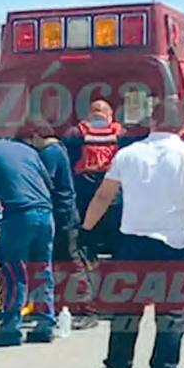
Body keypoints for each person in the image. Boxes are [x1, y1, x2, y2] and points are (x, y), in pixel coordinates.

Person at [81, 96, 184, 368]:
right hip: (174, 248)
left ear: (152, 122)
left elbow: (103, 197)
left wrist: (86, 232)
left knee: (125, 314)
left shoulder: (127, 154)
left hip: (131, 247)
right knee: (171, 317)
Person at [0, 134, 56, 347]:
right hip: (46, 213)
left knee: (13, 272)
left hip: (19, 214)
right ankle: (45, 325)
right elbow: (49, 183)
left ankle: (11, 329)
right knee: (42, 269)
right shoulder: (28, 150)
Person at [66, 99, 125, 258]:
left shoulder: (76, 132)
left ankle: (87, 255)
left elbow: (69, 159)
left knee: (86, 225)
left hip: (84, 186)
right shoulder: (121, 133)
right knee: (114, 225)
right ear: (110, 114)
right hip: (112, 186)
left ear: (89, 114)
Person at [27, 126, 77, 262]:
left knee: (67, 253)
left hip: (61, 207)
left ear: (37, 136)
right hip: (66, 206)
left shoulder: (49, 152)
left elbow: (46, 180)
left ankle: (79, 275)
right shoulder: (59, 148)